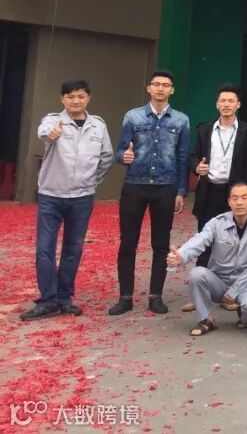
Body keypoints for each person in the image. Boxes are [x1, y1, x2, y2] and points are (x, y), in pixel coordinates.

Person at [21, 79, 113, 321]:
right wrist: (52, 134)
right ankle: (47, 300)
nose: (75, 101)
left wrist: (91, 182)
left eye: (80, 96)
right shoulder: (53, 120)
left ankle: (64, 298)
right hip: (51, 196)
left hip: (82, 198)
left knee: (73, 249)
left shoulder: (98, 126)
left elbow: (106, 157)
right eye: (70, 96)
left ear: (88, 98)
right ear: (62, 99)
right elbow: (44, 132)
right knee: (45, 249)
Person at [110, 70, 190, 316]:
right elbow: (120, 151)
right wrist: (123, 156)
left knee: (161, 244)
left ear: (172, 90)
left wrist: (181, 191)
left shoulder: (181, 120)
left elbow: (183, 157)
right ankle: (125, 297)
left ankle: (156, 296)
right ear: (149, 88)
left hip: (165, 187)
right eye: (156, 84)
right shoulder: (133, 116)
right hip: (135, 184)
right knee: (128, 243)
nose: (160, 88)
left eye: (166, 85)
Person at [166, 181, 247, 336]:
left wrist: (235, 291)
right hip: (219, 281)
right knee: (196, 274)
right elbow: (199, 240)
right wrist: (180, 255)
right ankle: (206, 319)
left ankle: (244, 317)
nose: (239, 202)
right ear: (229, 201)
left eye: (244, 198)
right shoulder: (217, 222)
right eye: (235, 198)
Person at [188, 84, 247, 277]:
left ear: (238, 105)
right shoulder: (205, 129)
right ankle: (201, 284)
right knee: (205, 240)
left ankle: (230, 286)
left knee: (234, 240)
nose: (226, 104)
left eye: (231, 101)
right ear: (217, 104)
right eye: (223, 101)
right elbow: (193, 156)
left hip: (234, 193)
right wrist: (197, 167)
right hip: (209, 192)